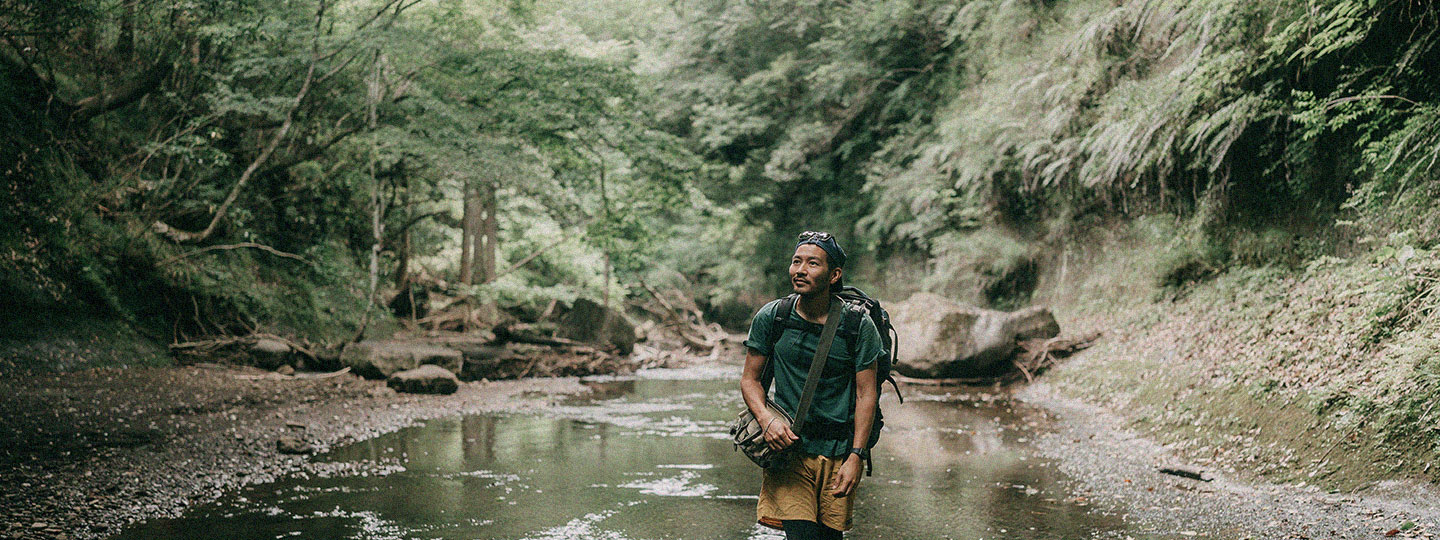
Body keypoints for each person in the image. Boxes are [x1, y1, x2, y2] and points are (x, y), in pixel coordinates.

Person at [739, 231, 884, 540]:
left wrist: (857, 456)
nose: (800, 270)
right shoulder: (773, 317)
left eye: (812, 263)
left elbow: (866, 393)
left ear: (834, 275)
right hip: (790, 449)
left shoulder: (857, 325)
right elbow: (750, 380)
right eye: (796, 262)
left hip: (839, 451)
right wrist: (766, 419)